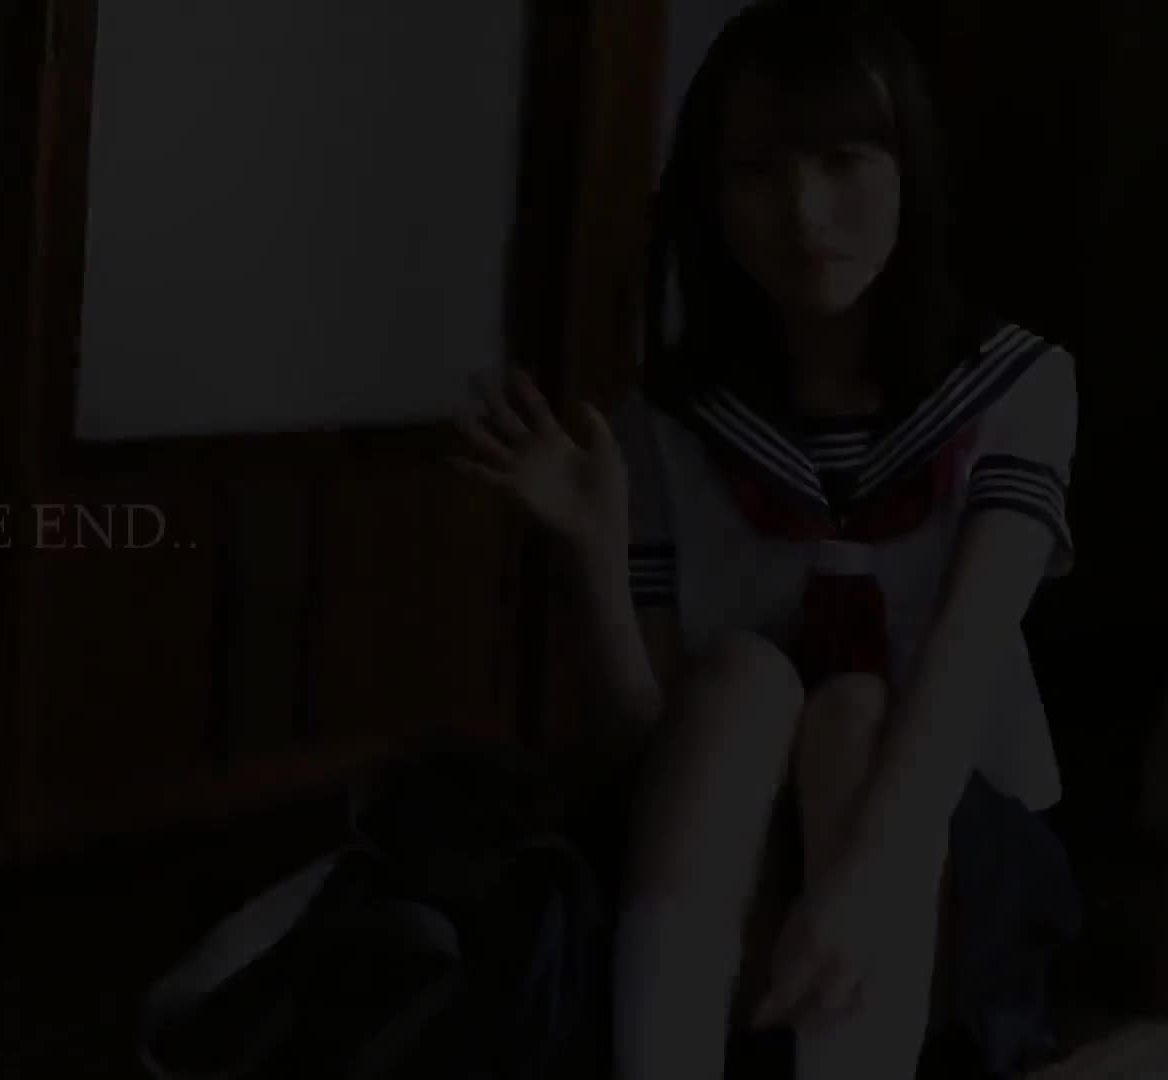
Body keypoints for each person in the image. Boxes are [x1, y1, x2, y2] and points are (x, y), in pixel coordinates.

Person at [452, 2, 1078, 1076]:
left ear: (910, 170)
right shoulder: (666, 425)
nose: (803, 211)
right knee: (741, 679)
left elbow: (964, 666)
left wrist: (861, 883)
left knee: (855, 712)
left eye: (844, 161)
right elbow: (649, 740)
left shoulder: (1021, 387)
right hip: (723, 874)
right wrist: (595, 551)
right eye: (754, 172)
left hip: (942, 854)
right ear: (709, 199)